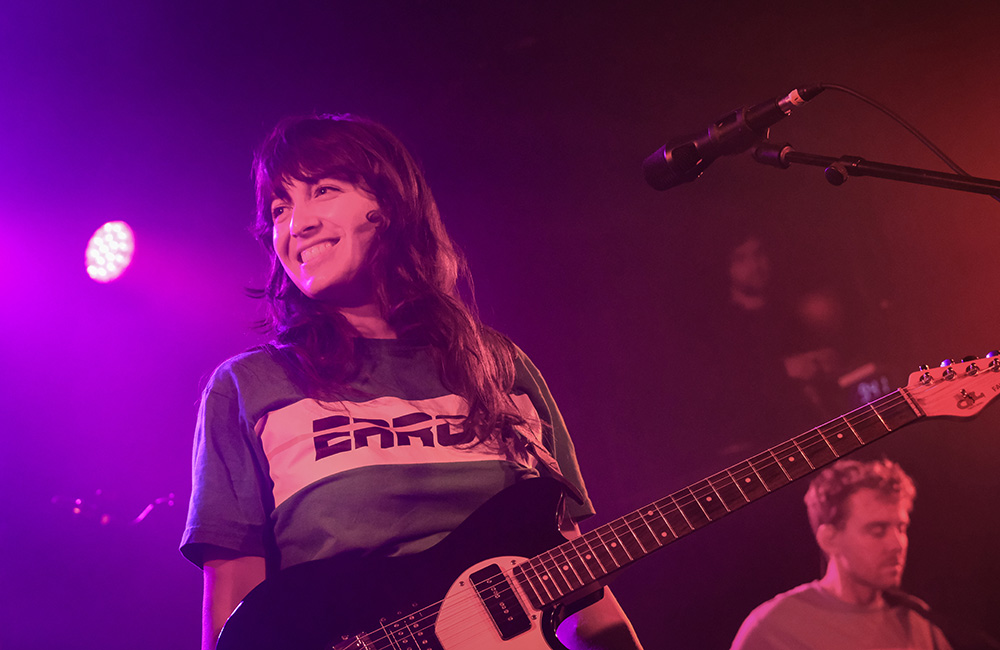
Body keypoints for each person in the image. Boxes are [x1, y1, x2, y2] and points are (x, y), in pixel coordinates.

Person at [179, 114, 643, 650]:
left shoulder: (499, 367)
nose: (295, 224)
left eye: (323, 190)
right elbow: (234, 616)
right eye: (280, 208)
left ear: (390, 205)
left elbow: (579, 589)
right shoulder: (250, 386)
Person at [729, 458, 952, 650]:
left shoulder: (918, 621)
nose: (897, 544)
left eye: (901, 528)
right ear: (830, 539)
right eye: (877, 530)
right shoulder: (773, 628)